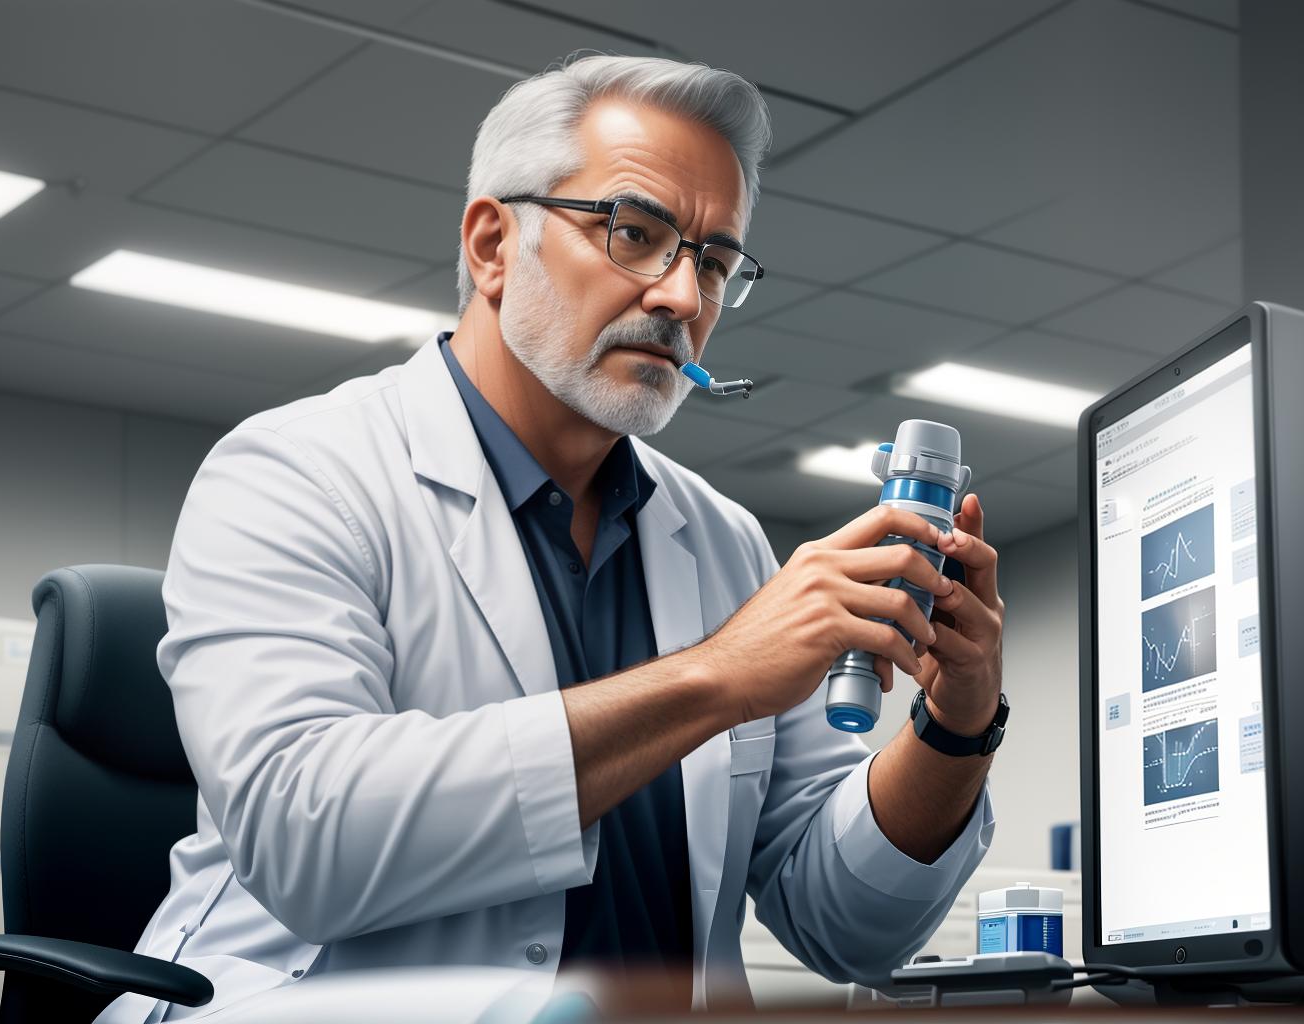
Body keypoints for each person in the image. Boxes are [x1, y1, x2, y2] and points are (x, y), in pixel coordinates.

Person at [96, 53, 1004, 1022]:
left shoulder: (725, 542)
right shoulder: (296, 471)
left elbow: (845, 926)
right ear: (493, 245)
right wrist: (714, 677)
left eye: (713, 262)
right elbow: (307, 844)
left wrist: (955, 726)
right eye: (635, 233)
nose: (681, 300)